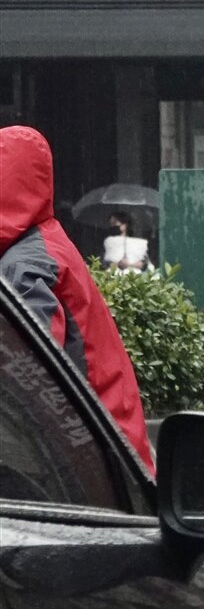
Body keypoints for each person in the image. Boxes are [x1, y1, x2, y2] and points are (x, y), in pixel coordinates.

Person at [0, 126, 154, 471]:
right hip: (109, 450)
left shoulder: (26, 266)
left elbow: (28, 380)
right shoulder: (45, 244)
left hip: (93, 464)